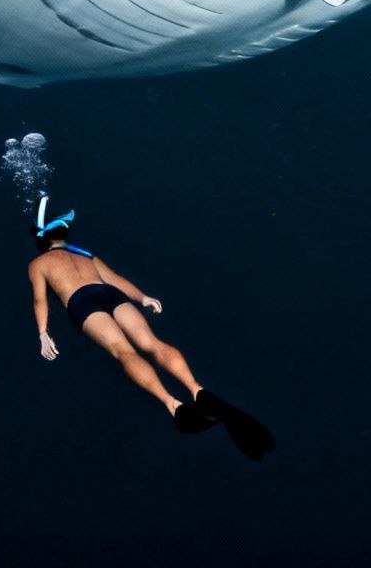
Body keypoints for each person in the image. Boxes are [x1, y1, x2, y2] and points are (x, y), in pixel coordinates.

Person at [27, 196, 275, 460]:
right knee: (152, 343)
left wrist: (43, 333)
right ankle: (196, 389)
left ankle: (173, 404)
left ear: (42, 241)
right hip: (108, 293)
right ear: (63, 232)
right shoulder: (86, 255)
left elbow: (40, 300)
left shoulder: (39, 264)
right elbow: (116, 279)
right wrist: (143, 297)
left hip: (81, 301)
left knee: (124, 352)